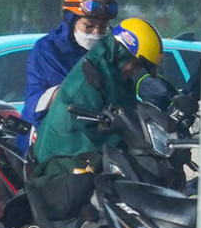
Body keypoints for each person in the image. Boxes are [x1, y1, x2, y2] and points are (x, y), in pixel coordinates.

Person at [29, 18, 165, 206]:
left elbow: (129, 113)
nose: (135, 71)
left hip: (80, 156)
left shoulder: (114, 76)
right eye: (135, 64)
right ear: (120, 52)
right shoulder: (92, 78)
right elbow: (86, 131)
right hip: (62, 161)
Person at [23, 0, 119, 132]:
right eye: (89, 26)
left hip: (95, 134)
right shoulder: (47, 50)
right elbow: (39, 100)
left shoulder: (108, 51)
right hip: (46, 133)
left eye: (102, 27)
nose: (96, 33)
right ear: (70, 19)